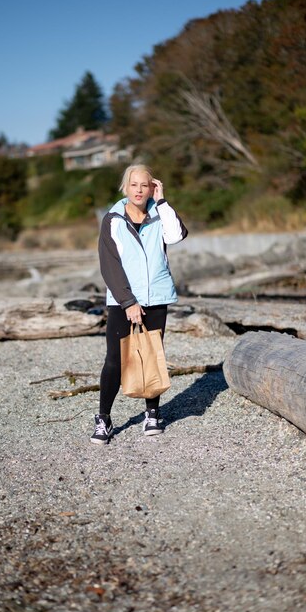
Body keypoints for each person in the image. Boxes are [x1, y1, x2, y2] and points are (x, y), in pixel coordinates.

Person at [91, 164, 188, 445]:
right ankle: (104, 419)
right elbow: (109, 265)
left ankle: (152, 414)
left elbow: (177, 236)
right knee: (115, 360)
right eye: (134, 185)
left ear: (152, 187)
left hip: (157, 297)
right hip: (123, 301)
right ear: (125, 187)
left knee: (152, 355)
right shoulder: (113, 219)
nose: (139, 190)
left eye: (144, 185)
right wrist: (128, 301)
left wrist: (162, 200)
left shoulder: (160, 214)